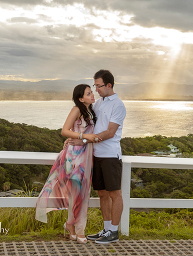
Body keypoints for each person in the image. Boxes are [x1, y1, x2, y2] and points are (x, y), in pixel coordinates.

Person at [35, 84, 99, 244]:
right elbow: (64, 130)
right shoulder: (76, 109)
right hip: (74, 156)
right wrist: (82, 136)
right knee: (77, 192)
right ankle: (79, 229)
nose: (92, 95)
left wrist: (83, 138)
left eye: (91, 92)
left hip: (86, 156)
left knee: (81, 193)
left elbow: (83, 136)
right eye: (88, 93)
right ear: (80, 98)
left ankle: (71, 225)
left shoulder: (90, 110)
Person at [68, 69, 126, 244]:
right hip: (96, 155)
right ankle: (106, 229)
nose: (96, 90)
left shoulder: (118, 105)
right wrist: (76, 137)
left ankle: (114, 232)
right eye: (95, 86)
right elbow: (87, 126)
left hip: (110, 155)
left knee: (115, 193)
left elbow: (110, 132)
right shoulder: (98, 104)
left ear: (109, 85)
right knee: (102, 193)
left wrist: (84, 142)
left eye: (99, 86)